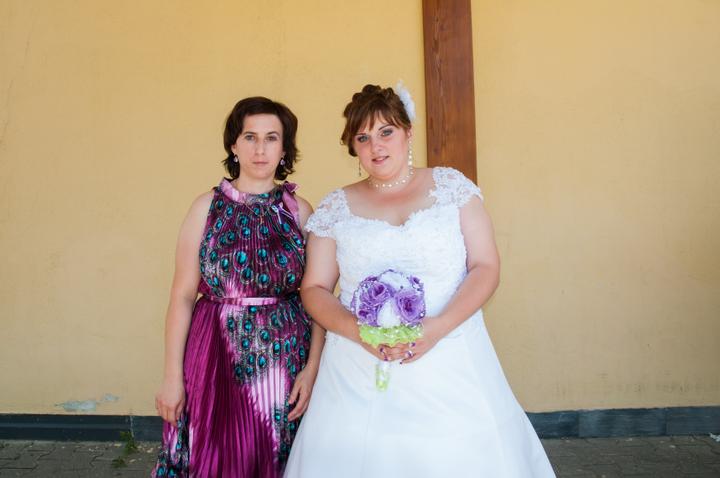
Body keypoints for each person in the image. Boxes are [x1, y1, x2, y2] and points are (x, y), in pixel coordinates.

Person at [284, 85, 555, 477]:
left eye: (386, 131)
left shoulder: (452, 189)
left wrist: (438, 328)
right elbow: (314, 289)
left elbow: (485, 266)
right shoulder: (334, 208)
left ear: (408, 132)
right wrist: (360, 333)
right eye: (363, 138)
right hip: (358, 365)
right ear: (353, 148)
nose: (376, 146)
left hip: (451, 351)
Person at [153, 97, 324, 477]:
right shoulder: (205, 208)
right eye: (250, 137)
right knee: (214, 456)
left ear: (285, 148)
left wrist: (313, 368)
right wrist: (171, 376)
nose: (260, 149)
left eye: (271, 138)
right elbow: (182, 295)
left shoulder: (300, 212)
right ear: (234, 144)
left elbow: (318, 296)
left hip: (283, 359)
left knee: (275, 456)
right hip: (214, 355)